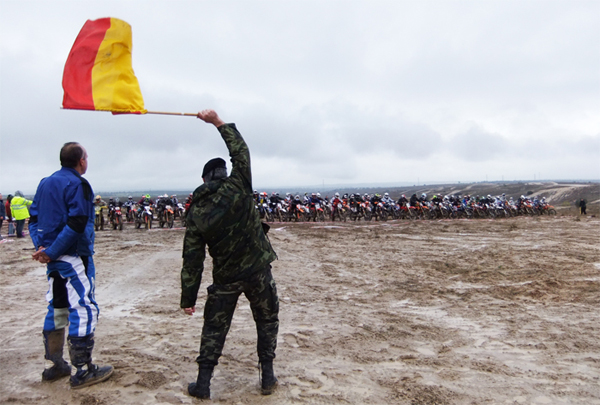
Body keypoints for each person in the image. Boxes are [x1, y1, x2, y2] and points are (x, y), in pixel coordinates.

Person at [181, 110, 279, 399]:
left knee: (214, 327)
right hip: (259, 271)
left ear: (203, 179)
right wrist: (218, 123)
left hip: (225, 278)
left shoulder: (197, 211)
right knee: (267, 319)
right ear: (224, 173)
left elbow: (192, 260)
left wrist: (188, 298)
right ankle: (268, 376)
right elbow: (241, 152)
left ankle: (203, 383)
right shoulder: (239, 186)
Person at [29, 142, 113, 389]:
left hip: (53, 258)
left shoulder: (45, 182)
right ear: (81, 161)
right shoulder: (78, 184)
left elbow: (34, 218)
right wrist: (52, 250)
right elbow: (77, 223)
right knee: (84, 308)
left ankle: (55, 365)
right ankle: (83, 370)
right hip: (74, 256)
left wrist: (43, 248)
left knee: (57, 307)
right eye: (86, 157)